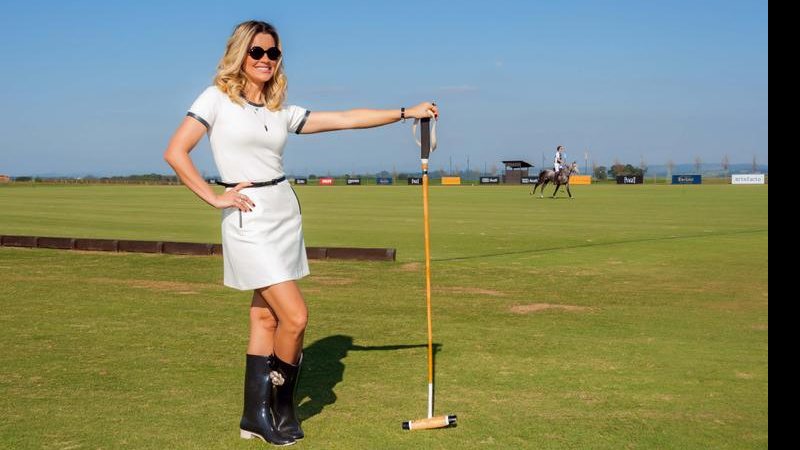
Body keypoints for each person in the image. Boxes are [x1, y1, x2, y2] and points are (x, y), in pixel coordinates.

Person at [163, 20, 438, 446]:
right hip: (248, 216)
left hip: (284, 213)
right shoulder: (215, 99)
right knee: (296, 316)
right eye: (257, 52)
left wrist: (405, 112)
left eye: (273, 53)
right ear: (240, 54)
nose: (266, 60)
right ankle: (282, 405)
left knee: (265, 315)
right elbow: (175, 151)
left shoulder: (279, 110)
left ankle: (255, 416)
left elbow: (345, 118)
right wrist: (215, 198)